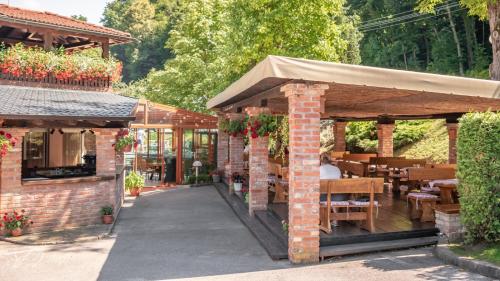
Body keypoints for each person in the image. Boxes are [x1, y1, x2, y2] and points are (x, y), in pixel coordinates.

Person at [320, 154, 348, 227]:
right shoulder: (337, 169)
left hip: (324, 197)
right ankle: (335, 220)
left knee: (324, 194)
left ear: (321, 161)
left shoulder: (318, 169)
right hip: (340, 197)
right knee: (333, 193)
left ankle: (323, 220)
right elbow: (341, 182)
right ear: (329, 161)